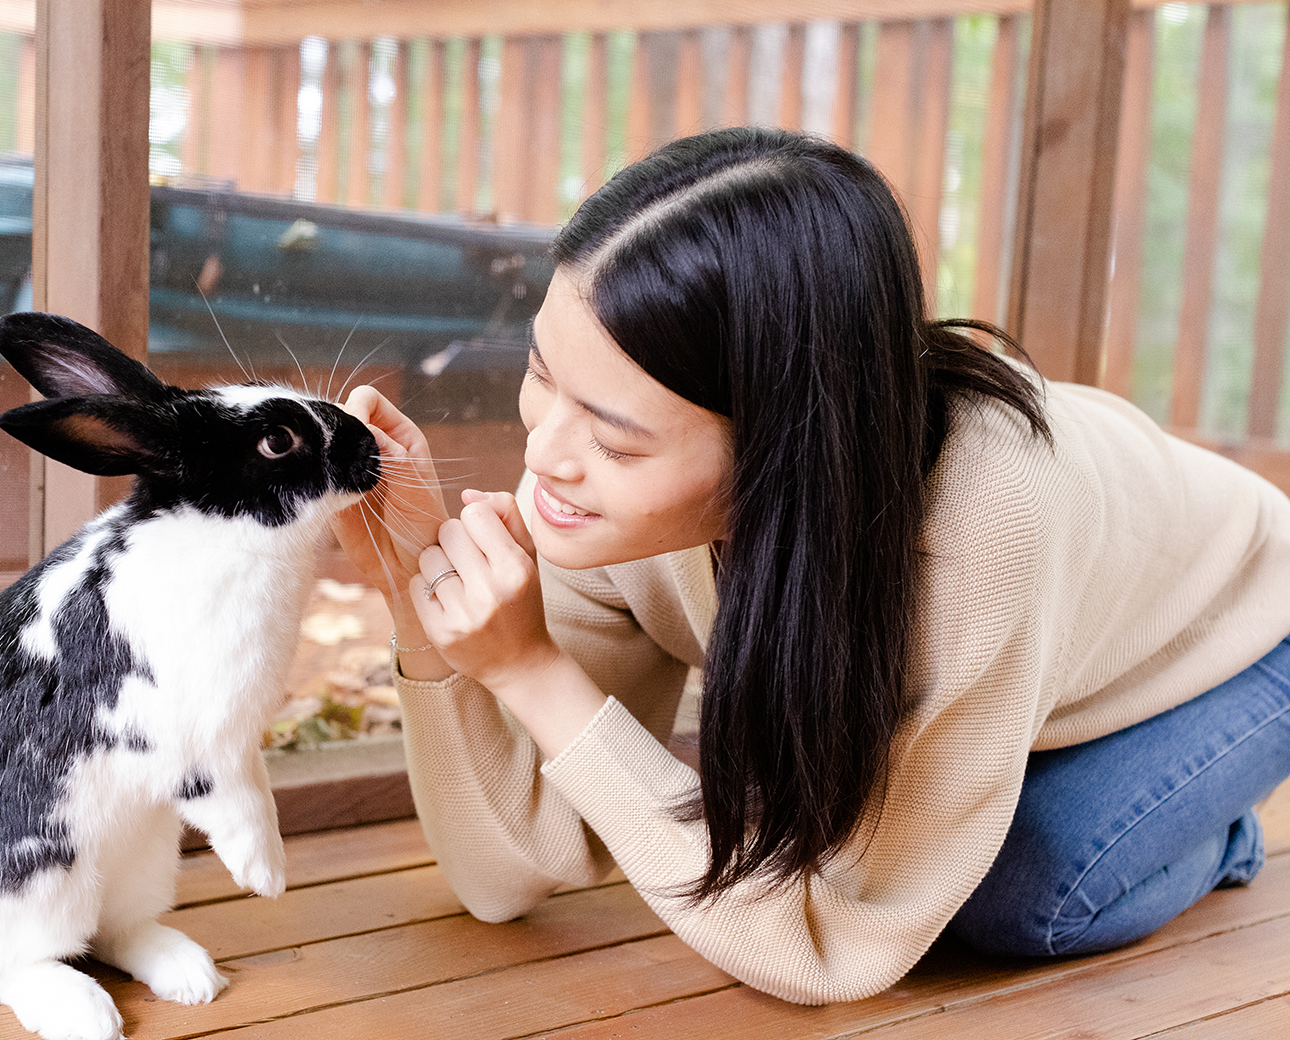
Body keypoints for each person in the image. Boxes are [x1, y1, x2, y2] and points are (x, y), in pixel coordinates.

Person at [332, 127, 1290, 1004]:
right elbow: (512, 874)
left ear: (784, 443)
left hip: (1240, 632)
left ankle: (1214, 828)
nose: (546, 457)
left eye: (619, 444)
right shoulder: (603, 519)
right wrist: (413, 592)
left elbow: (836, 954)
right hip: (1044, 651)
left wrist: (533, 670)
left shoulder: (981, 523)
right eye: (543, 373)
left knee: (1015, 893)